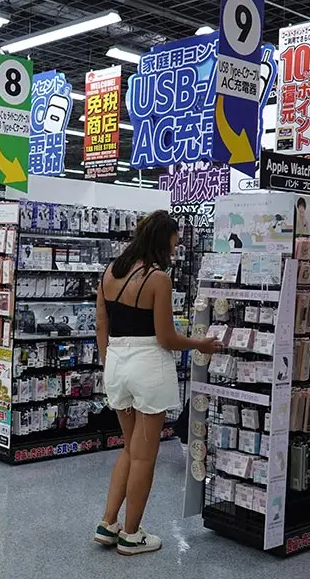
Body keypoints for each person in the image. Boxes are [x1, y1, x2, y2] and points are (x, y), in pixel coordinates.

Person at [93, 210, 218, 556]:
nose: (175, 250)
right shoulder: (158, 279)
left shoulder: (109, 273)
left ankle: (108, 523)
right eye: (174, 244)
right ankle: (131, 535)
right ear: (162, 241)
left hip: (116, 364)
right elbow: (166, 338)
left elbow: (101, 324)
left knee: (129, 448)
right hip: (148, 366)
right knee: (144, 457)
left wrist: (109, 362)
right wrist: (201, 344)